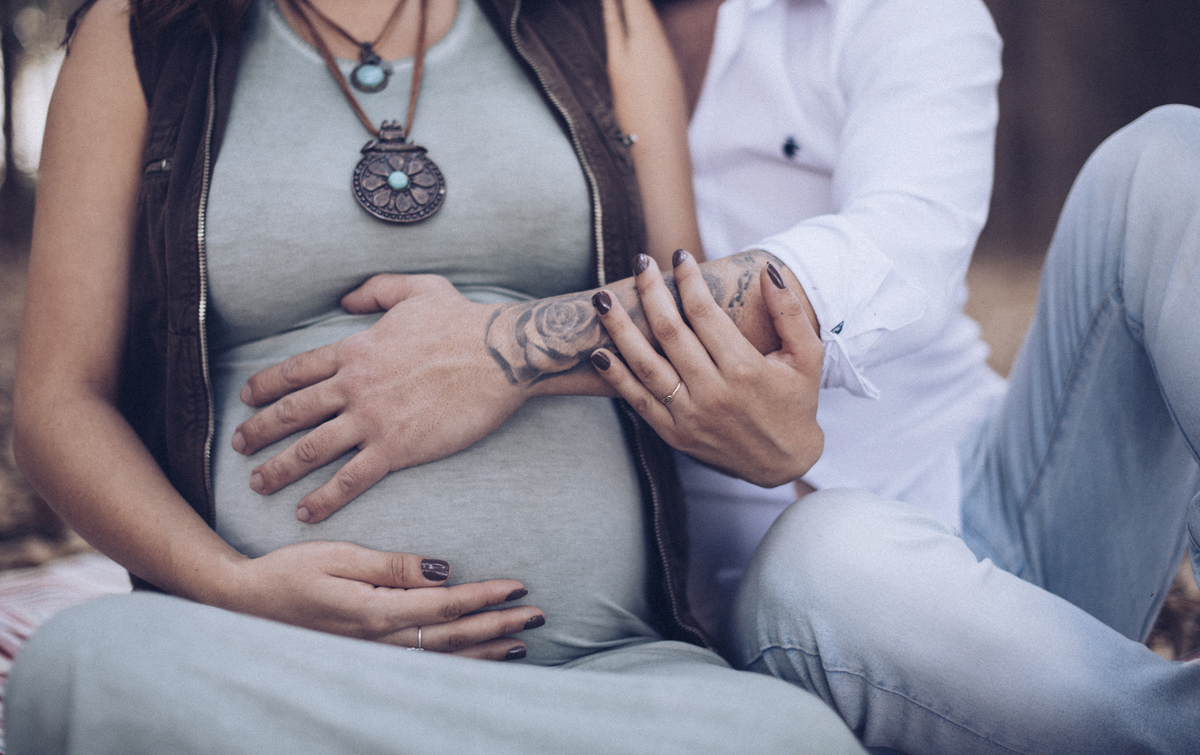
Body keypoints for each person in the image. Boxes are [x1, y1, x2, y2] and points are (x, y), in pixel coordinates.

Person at [4, 0, 864, 751]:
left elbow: (684, 324)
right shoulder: (142, 31)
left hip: (604, 672)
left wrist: (757, 432)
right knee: (85, 667)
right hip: (281, 665)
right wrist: (233, 586)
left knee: (796, 740)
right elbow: (59, 402)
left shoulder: (600, 16)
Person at [590, 2, 1200, 752]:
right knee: (825, 553)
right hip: (801, 600)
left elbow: (904, 247)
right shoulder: (536, 37)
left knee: (1172, 158)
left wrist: (493, 353)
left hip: (1004, 507)